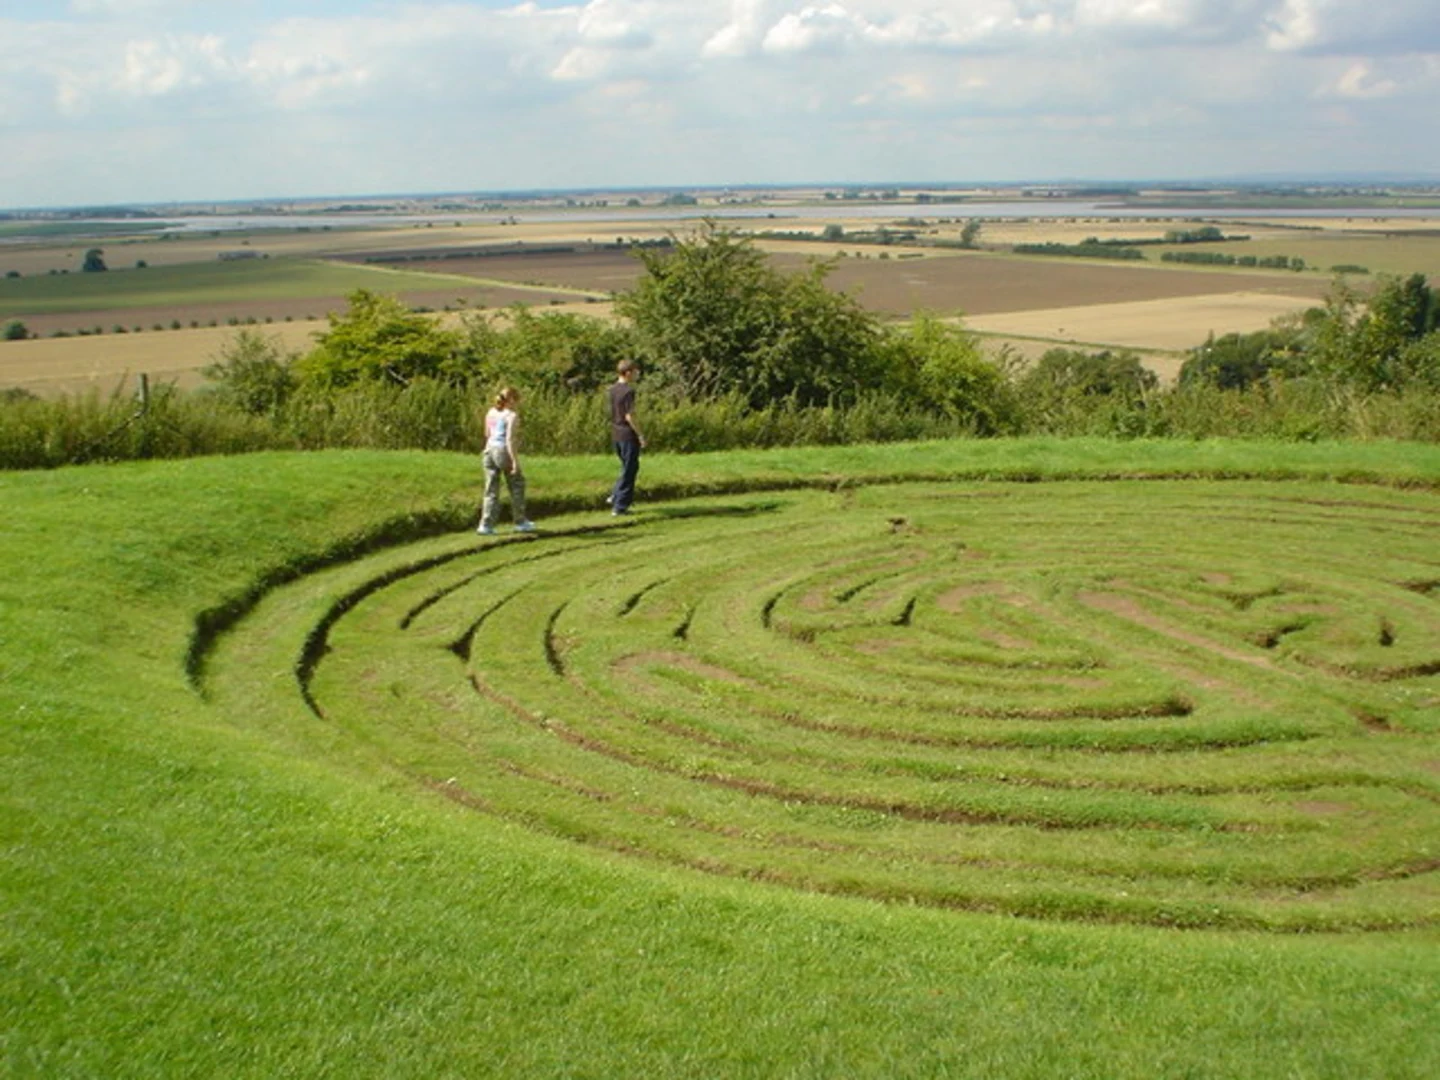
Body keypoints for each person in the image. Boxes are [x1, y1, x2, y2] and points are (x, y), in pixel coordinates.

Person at [477, 386, 535, 536]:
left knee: (491, 489)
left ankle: (485, 525)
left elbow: (487, 433)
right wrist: (515, 462)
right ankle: (520, 522)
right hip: (502, 450)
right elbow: (510, 440)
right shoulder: (511, 416)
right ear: (512, 400)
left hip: (488, 450)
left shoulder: (490, 412)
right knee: (517, 485)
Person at [607, 359, 645, 515]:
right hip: (627, 434)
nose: (637, 374)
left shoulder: (612, 389)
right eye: (635, 371)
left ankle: (615, 494)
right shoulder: (628, 391)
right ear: (628, 373)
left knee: (626, 467)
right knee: (630, 469)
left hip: (616, 433)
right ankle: (620, 505)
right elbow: (630, 416)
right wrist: (640, 434)